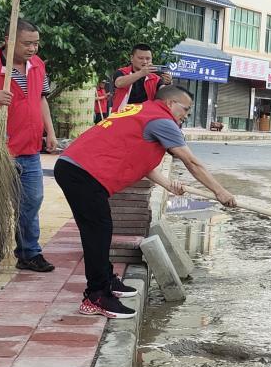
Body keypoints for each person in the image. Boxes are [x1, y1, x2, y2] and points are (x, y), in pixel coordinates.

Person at [56, 85, 236, 318]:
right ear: (170, 104)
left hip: (75, 168)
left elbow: (143, 161)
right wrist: (220, 192)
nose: (186, 115)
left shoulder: (144, 111)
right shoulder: (163, 121)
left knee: (100, 229)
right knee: (97, 232)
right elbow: (192, 162)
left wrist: (168, 185)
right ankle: (97, 296)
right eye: (186, 109)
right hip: (83, 173)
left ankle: (107, 281)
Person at [0, 20, 58, 273]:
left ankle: (28, 253)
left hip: (29, 148)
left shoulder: (37, 65)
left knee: (31, 201)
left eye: (36, 43)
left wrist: (50, 131)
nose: (33, 49)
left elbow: (41, 100)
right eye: (27, 43)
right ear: (9, 40)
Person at [111, 43, 171, 113]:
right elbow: (119, 83)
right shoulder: (122, 72)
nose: (145, 62)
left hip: (145, 118)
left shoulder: (155, 78)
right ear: (132, 58)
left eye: (148, 59)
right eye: (141, 58)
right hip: (121, 116)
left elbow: (164, 93)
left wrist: (168, 83)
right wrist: (141, 73)